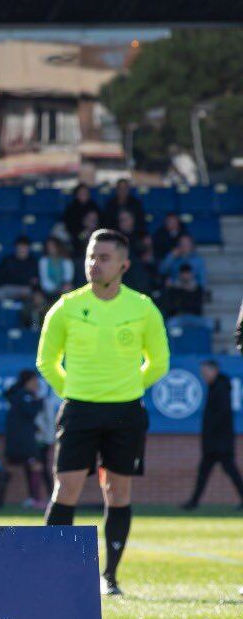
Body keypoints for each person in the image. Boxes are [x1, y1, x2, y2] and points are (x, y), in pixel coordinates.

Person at [38, 228, 170, 596]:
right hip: (78, 409)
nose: (95, 264)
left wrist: (128, 387)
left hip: (126, 411)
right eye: (91, 257)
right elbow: (46, 361)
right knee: (66, 488)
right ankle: (51, 573)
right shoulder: (65, 307)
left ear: (124, 265)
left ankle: (110, 577)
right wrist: (74, 391)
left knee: (118, 491)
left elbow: (158, 362)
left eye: (104, 258)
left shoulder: (142, 308)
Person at [182, 360, 243, 510]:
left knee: (229, 472)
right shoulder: (215, 387)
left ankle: (193, 502)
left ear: (214, 370)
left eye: (205, 372)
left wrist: (211, 434)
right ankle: (194, 502)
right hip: (214, 442)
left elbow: (220, 416)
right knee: (205, 473)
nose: (204, 376)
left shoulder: (220, 387)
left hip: (220, 443)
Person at [3, 369, 49, 509]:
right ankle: (35, 499)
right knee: (36, 466)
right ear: (28, 382)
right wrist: (39, 402)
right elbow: (31, 412)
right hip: (24, 440)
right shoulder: (25, 396)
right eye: (35, 381)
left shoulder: (15, 395)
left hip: (14, 439)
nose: (37, 384)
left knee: (12, 467)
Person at [0, 237, 39, 302]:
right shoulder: (8, 260)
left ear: (29, 248)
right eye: (21, 247)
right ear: (16, 248)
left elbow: (35, 280)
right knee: (0, 291)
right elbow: (0, 277)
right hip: (10, 288)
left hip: (26, 289)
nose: (23, 250)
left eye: (25, 247)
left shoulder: (33, 262)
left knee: (37, 295)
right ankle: (3, 311)